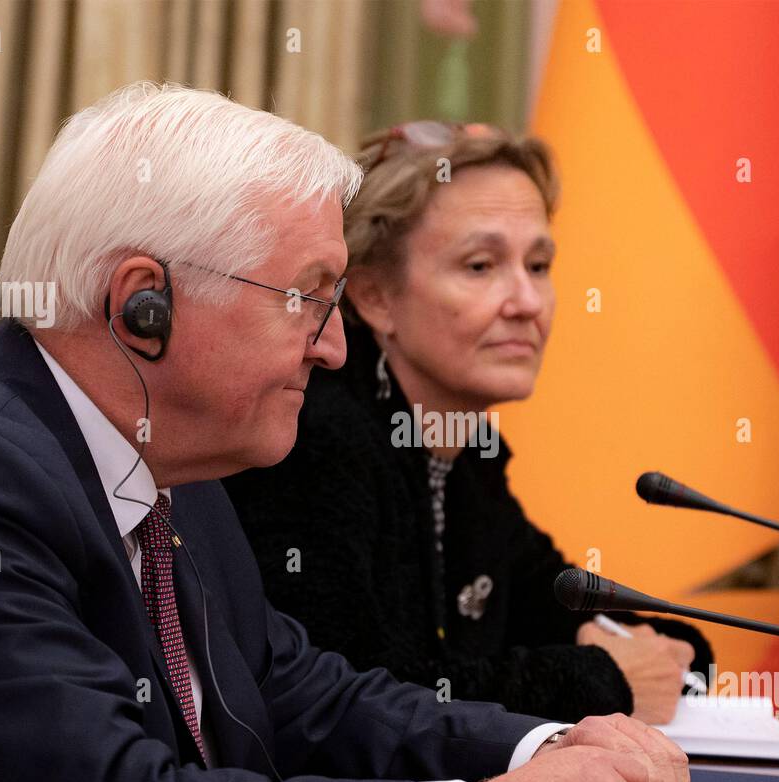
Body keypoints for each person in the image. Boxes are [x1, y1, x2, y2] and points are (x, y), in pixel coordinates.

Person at [0, 84, 688, 782]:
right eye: (307, 297)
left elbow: (300, 694)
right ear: (143, 307)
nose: (336, 347)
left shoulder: (172, 462)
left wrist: (545, 747)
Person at [225, 122, 712, 725]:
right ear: (376, 297)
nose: (526, 302)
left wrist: (671, 652)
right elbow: (350, 699)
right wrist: (605, 677)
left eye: (538, 265)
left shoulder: (466, 446)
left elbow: (554, 601)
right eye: (481, 267)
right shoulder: (318, 438)